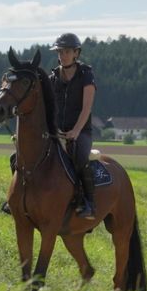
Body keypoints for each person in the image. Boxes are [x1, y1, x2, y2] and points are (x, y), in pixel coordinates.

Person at [49, 33, 98, 219]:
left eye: (67, 51)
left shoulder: (86, 74)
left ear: (76, 53)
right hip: (57, 132)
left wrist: (76, 131)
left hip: (81, 132)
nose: (62, 55)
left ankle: (89, 203)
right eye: (60, 51)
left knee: (79, 156)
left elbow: (87, 108)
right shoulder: (52, 77)